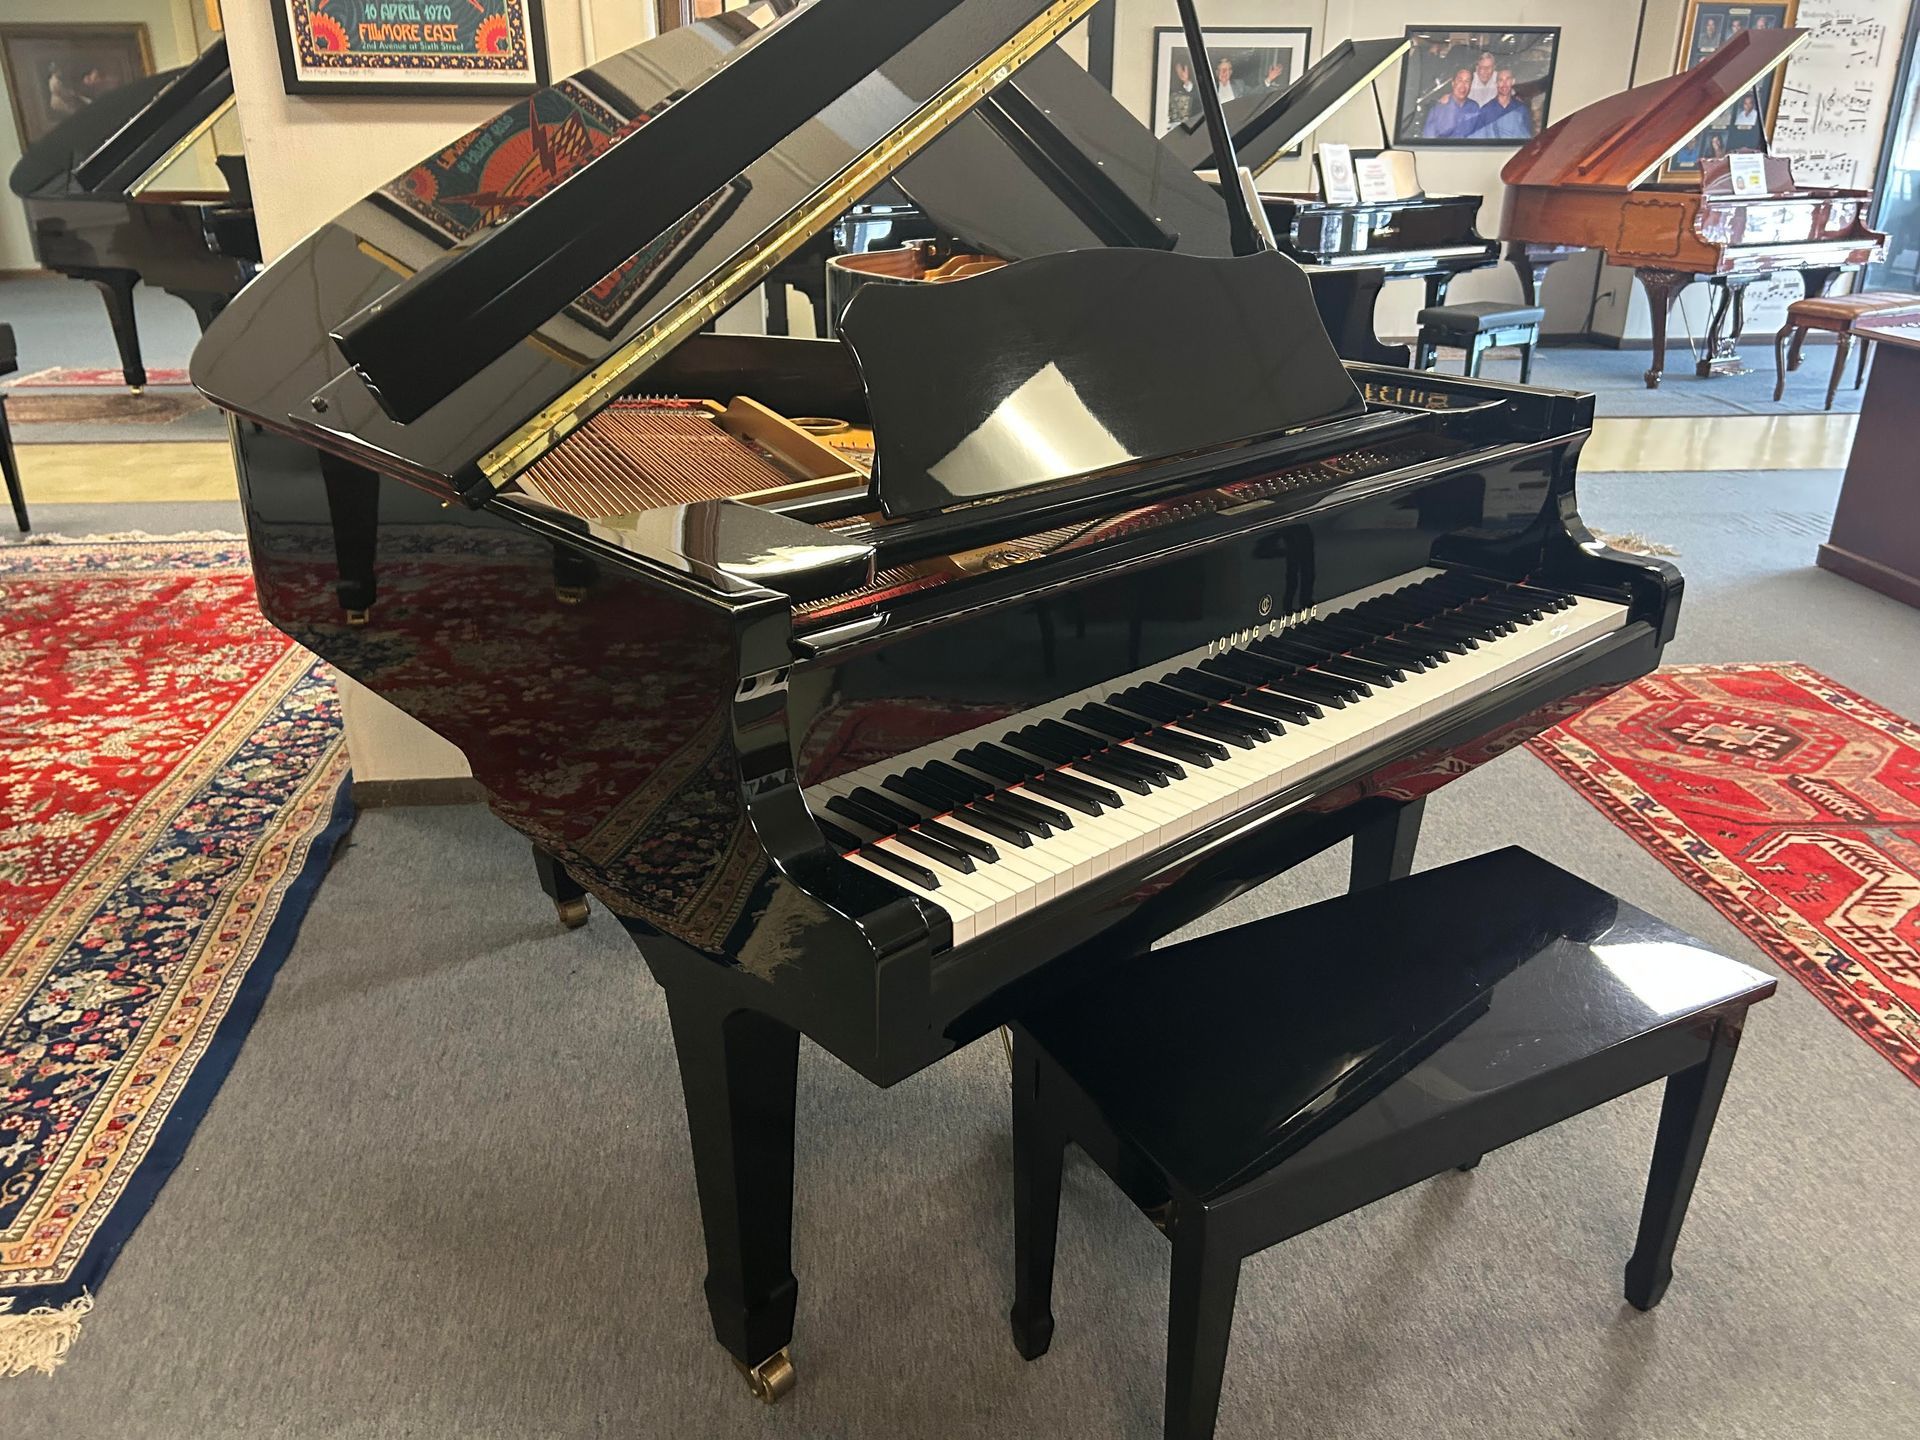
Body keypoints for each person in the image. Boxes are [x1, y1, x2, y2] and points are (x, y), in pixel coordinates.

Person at [1472, 68, 1535, 141]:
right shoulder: (1486, 110)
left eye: (1507, 79)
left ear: (1513, 81)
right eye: (1500, 80)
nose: (1504, 84)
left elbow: (1526, 139)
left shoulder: (1521, 110)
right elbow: (1479, 140)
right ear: (1496, 83)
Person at [1423, 68, 1482, 139]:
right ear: (1453, 83)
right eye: (1460, 80)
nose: (1463, 85)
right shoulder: (1438, 108)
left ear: (1470, 85)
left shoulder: (1474, 107)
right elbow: (1429, 139)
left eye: (1467, 81)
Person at [1166, 57, 1199, 128]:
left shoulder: (1195, 88)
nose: (1180, 73)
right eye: (1178, 70)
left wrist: (1186, 80)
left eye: (1182, 70)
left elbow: (1191, 91)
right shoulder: (1170, 87)